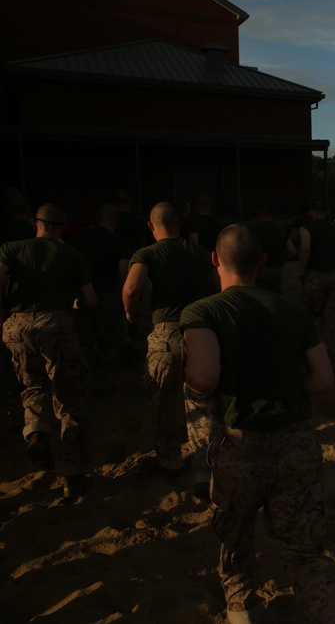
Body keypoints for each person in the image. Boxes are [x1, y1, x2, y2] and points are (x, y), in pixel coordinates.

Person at [182, 224, 335, 624]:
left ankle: (244, 613)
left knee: (235, 542)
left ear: (215, 259)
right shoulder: (293, 310)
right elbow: (323, 381)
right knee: (305, 548)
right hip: (297, 444)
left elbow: (203, 379)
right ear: (263, 261)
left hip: (240, 444)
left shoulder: (202, 311)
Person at [0, 204, 96, 498]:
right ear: (62, 227)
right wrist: (75, 305)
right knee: (68, 396)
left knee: (32, 386)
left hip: (18, 326)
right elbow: (90, 299)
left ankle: (37, 433)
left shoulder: (10, 249)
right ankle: (73, 473)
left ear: (36, 223)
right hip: (57, 325)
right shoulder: (71, 255)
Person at [122, 202, 215, 483]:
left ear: (151, 226)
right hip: (201, 333)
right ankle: (205, 466)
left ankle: (170, 459)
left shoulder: (147, 253)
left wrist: (130, 312)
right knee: (201, 402)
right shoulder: (200, 253)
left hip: (167, 334)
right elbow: (218, 286)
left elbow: (131, 288)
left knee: (163, 400)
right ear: (180, 224)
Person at [69, 204, 132, 394]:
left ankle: (85, 379)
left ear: (97, 218)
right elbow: (124, 276)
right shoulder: (120, 243)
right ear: (116, 221)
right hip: (109, 298)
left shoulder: (76, 240)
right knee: (110, 340)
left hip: (81, 297)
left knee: (85, 339)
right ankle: (103, 381)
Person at [297, 198, 335, 378]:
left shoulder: (306, 228)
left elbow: (305, 249)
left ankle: (318, 357)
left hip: (315, 276)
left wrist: (302, 270)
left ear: (312, 211)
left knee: (313, 318)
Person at [249, 202, 292, 294]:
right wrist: (284, 259)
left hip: (259, 269)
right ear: (272, 213)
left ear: (259, 212)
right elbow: (292, 250)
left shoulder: (253, 230)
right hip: (277, 269)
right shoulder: (281, 230)